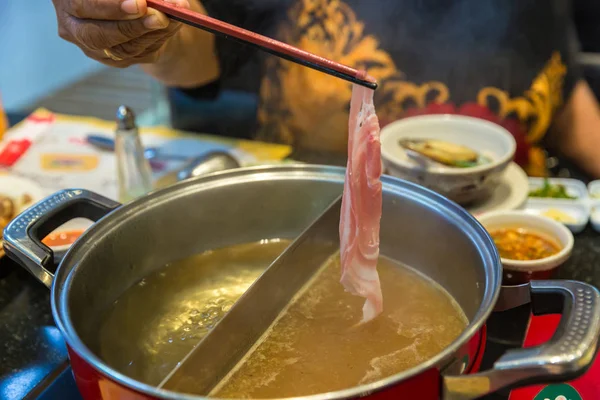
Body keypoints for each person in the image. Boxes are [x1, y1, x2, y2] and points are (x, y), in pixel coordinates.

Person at [51, 0, 600, 177]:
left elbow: (562, 94)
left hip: (511, 234)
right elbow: (190, 52)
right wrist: (137, 30)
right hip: (306, 217)